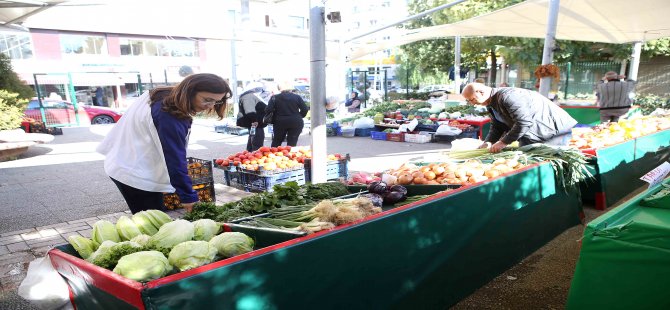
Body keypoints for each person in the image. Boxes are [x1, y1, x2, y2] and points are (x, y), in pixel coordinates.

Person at [97, 73, 231, 213]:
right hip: (135, 174)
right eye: (207, 100)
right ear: (189, 91)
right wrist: (188, 196)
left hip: (125, 162)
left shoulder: (162, 94)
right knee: (152, 223)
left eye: (217, 101)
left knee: (151, 219)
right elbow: (174, 159)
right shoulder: (170, 115)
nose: (210, 105)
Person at [462, 83, 577, 153]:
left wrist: (503, 142)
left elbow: (524, 122)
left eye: (472, 99)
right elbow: (497, 126)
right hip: (533, 132)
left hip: (553, 130)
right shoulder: (490, 103)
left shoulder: (508, 96)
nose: (472, 103)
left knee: (549, 162)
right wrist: (489, 142)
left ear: (481, 92)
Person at [266, 81, 309, 147]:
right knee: (292, 143)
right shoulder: (297, 97)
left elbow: (268, 110)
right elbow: (305, 109)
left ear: (279, 88)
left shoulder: (274, 98)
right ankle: (290, 156)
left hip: (279, 122)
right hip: (295, 121)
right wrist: (299, 116)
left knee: (277, 141)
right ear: (290, 88)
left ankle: (273, 156)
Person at [237, 83, 267, 151]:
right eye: (256, 89)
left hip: (256, 123)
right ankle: (255, 155)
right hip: (255, 123)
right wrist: (254, 120)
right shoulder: (248, 97)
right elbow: (249, 110)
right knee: (257, 140)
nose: (257, 90)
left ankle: (250, 153)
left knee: (253, 138)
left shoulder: (249, 96)